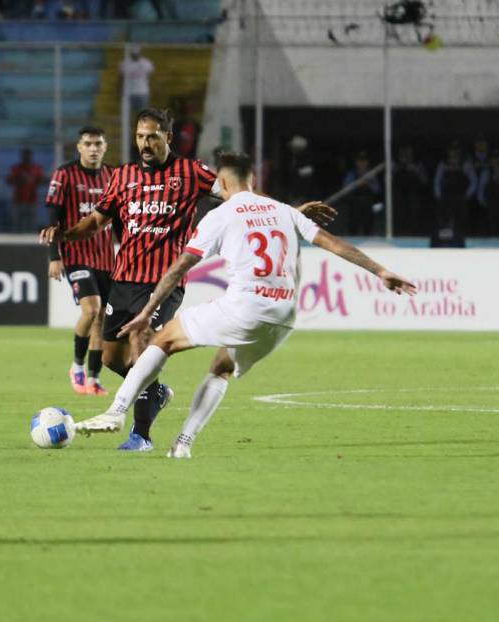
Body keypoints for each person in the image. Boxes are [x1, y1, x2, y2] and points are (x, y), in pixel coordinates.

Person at [73, 151, 415, 455]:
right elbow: (334, 244)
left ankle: (116, 412)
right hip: (283, 317)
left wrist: (147, 312)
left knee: (162, 341)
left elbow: (180, 266)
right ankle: (183, 445)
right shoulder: (284, 211)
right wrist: (381, 271)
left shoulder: (220, 216)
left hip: (245, 307)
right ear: (254, 180)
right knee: (221, 367)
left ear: (221, 182)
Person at [41, 108, 335, 451]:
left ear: (168, 135)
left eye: (152, 136)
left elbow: (241, 198)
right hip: (125, 278)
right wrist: (64, 235)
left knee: (142, 343)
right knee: (110, 357)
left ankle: (141, 436)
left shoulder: (191, 172)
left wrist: (289, 212)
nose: (145, 143)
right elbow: (95, 222)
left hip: (164, 280)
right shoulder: (122, 177)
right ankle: (156, 391)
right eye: (139, 136)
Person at [45, 127, 115, 396]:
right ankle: (76, 367)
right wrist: (54, 256)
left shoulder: (113, 176)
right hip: (76, 255)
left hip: (106, 258)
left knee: (102, 320)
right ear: (79, 147)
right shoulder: (65, 175)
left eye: (98, 143)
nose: (93, 148)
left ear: (105, 146)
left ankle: (94, 379)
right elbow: (53, 218)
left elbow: (120, 218)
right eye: (88, 143)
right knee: (91, 310)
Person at [7, 148, 45, 232]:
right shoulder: (16, 169)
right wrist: (21, 179)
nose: (27, 158)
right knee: (18, 223)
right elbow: (9, 180)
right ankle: (17, 241)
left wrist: (33, 180)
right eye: (25, 156)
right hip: (18, 200)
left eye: (28, 156)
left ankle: (31, 241)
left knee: (31, 223)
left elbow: (42, 181)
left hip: (32, 200)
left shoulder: (36, 168)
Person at [119, 45, 154, 114]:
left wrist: (150, 90)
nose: (135, 55)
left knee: (143, 114)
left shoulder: (146, 63)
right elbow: (121, 78)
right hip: (128, 93)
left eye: (137, 54)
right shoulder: (124, 63)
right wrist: (120, 91)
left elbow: (151, 78)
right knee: (127, 114)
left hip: (143, 92)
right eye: (134, 54)